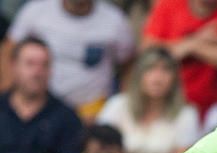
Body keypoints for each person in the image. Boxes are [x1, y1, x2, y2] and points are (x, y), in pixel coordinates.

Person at [1, 0, 135, 120]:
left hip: (92, 113)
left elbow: (129, 64)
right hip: (39, 111)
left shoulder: (115, 20)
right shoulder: (36, 11)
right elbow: (8, 52)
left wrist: (119, 107)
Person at [97, 47, 201, 153]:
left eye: (166, 70)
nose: (157, 77)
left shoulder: (186, 114)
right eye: (150, 69)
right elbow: (100, 150)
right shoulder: (117, 105)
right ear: (138, 75)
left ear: (175, 78)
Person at [141, 0, 217, 117]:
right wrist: (195, 41)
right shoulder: (168, 5)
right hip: (169, 104)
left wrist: (194, 46)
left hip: (215, 109)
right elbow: (149, 53)